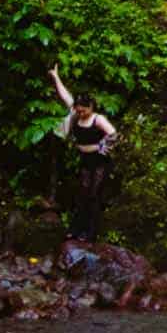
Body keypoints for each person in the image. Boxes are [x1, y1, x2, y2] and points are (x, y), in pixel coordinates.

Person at [49, 66, 119, 241]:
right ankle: (76, 229)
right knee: (82, 194)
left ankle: (91, 233)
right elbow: (65, 96)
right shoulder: (76, 114)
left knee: (94, 195)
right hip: (84, 159)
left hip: (99, 160)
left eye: (83, 110)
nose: (80, 113)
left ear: (91, 107)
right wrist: (56, 77)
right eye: (78, 110)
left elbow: (113, 134)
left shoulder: (98, 119)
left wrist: (103, 147)